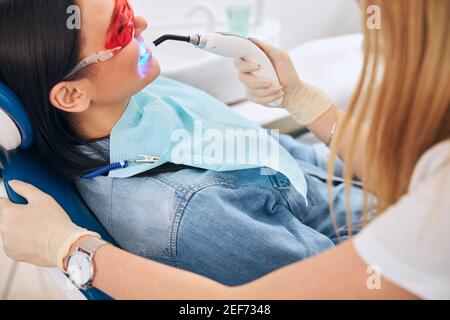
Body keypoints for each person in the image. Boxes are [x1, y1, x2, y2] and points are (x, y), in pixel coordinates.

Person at [1, 0, 449, 299]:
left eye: (126, 8)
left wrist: (76, 251)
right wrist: (75, 251)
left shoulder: (156, 99)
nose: (142, 25)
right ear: (72, 96)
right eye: (120, 27)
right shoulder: (187, 211)